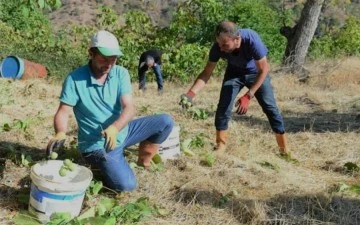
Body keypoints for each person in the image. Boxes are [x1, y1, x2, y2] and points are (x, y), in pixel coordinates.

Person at [47, 30, 174, 192]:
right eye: (104, 58)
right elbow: (64, 111)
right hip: (97, 144)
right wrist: (60, 132)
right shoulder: (75, 79)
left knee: (165, 122)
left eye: (113, 59)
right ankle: (101, 165)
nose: (109, 63)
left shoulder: (120, 73)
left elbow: (129, 107)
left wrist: (115, 128)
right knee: (127, 186)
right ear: (91, 53)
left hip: (122, 131)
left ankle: (144, 161)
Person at [179, 21, 288, 155]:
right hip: (234, 73)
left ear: (237, 39)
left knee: (270, 107)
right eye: (219, 44)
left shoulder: (251, 39)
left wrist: (248, 95)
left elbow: (264, 69)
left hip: (256, 73)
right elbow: (207, 73)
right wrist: (190, 94)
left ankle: (284, 148)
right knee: (224, 106)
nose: (221, 48)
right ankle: (220, 145)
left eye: (225, 45)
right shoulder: (218, 47)